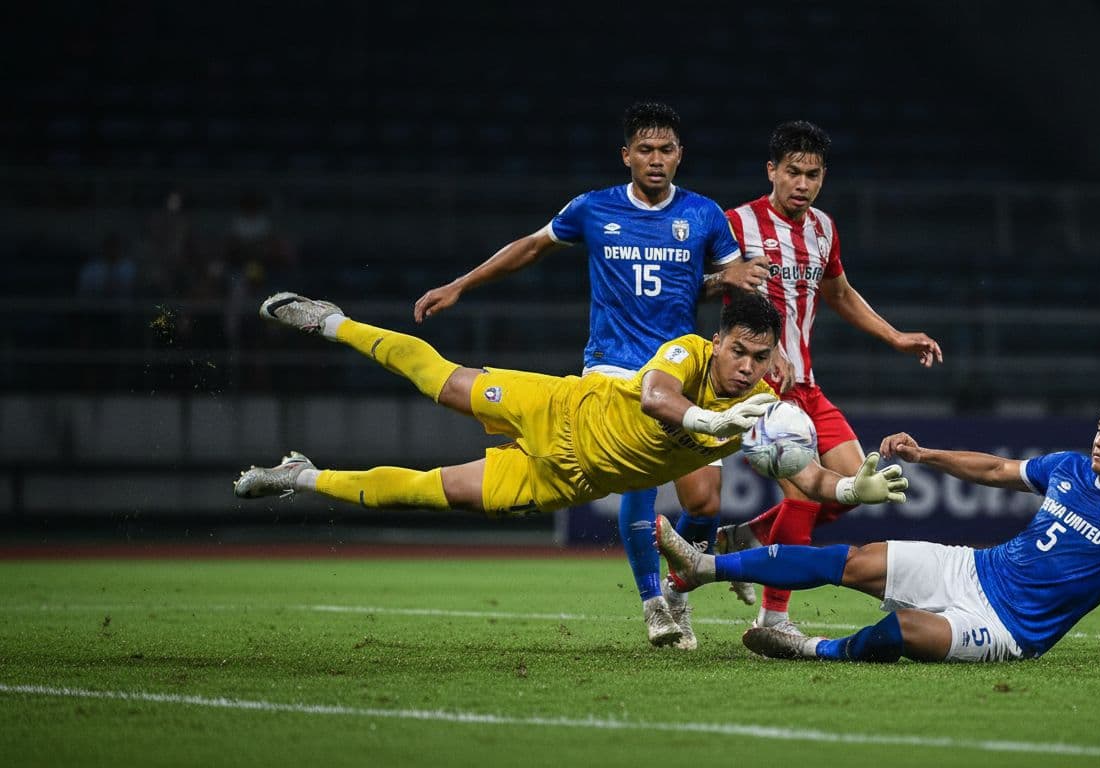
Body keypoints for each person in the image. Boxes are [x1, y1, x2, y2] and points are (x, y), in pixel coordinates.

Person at [411, 102, 769, 649]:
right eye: (645, 150)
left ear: (680, 156)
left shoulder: (704, 216)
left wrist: (729, 286)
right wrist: (462, 284)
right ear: (626, 155)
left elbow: (727, 300)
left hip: (677, 370)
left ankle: (677, 591)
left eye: (666, 150)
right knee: (640, 481)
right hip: (613, 368)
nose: (656, 160)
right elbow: (530, 247)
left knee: (704, 502)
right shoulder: (593, 208)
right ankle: (654, 603)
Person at [234, 290, 908, 551]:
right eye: (739, 350)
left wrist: (854, 491)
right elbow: (658, 399)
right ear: (721, 338)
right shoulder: (689, 353)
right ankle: (333, 321)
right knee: (441, 380)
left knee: (429, 491)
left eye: (760, 358)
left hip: (567, 478)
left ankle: (304, 475)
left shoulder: (765, 410)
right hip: (557, 408)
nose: (746, 366)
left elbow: (805, 479)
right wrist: (710, 425)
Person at [656, 392, 1100, 666]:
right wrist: (925, 456)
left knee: (905, 631)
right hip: (975, 567)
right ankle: (702, 567)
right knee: (854, 559)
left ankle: (809, 648)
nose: (1099, 440)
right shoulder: (1070, 468)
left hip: (1009, 628)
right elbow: (996, 469)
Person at [716, 120, 943, 635]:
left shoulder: (823, 228)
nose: (802, 183)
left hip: (808, 388)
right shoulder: (735, 224)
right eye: (792, 172)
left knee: (856, 486)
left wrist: (895, 336)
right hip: (760, 390)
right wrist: (756, 341)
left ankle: (747, 537)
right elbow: (704, 288)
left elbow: (838, 293)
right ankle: (773, 618)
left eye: (812, 174)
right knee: (802, 496)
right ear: (771, 171)